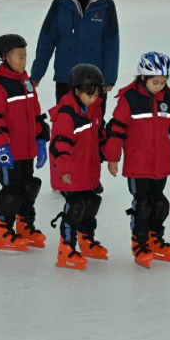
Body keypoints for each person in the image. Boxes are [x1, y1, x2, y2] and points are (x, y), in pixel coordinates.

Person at [104, 52, 170, 268]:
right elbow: (116, 130)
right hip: (137, 164)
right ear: (143, 77)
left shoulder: (169, 99)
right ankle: (140, 242)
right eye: (155, 82)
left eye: (163, 83)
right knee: (142, 203)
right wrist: (112, 158)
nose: (159, 87)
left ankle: (155, 238)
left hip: (161, 163)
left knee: (159, 203)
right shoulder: (129, 99)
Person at [0, 34, 51, 251]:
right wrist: (2, 146)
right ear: (4, 57)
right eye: (19, 56)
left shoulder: (26, 82)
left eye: (25, 56)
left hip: (26, 148)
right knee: (12, 190)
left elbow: (35, 114)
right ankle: (2, 230)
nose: (24, 60)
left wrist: (40, 139)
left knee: (29, 187)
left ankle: (25, 226)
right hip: (8, 150)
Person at [30, 0, 120, 108]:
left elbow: (111, 43)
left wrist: (109, 77)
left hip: (94, 79)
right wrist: (36, 74)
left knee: (94, 124)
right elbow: (46, 40)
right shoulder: (59, 4)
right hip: (66, 77)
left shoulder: (106, 6)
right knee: (65, 121)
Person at [49, 64, 108, 270]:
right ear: (76, 90)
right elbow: (60, 145)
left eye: (96, 94)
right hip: (70, 172)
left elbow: (101, 136)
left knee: (91, 202)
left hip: (88, 169)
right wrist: (64, 170)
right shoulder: (67, 114)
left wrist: (111, 157)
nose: (93, 99)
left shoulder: (95, 108)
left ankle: (86, 240)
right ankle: (66, 248)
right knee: (76, 207)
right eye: (88, 95)